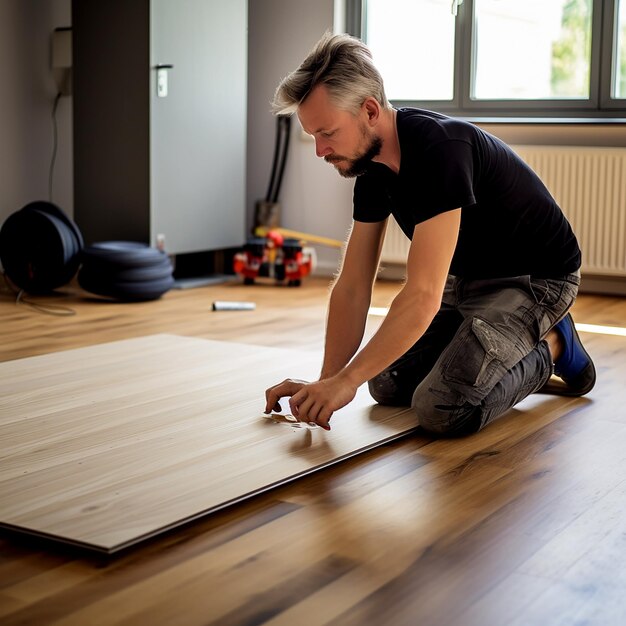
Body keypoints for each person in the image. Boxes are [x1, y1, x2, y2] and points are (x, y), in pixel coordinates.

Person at [264, 32, 596, 436]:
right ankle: (495, 342)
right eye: (312, 135)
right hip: (468, 279)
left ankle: (553, 345)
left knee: (442, 408)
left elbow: (422, 294)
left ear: (370, 110)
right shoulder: (368, 168)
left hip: (535, 280)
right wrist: (328, 381)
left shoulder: (441, 149)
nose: (319, 150)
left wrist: (344, 383)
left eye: (327, 133)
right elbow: (352, 286)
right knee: (384, 384)